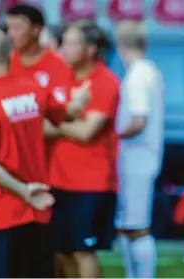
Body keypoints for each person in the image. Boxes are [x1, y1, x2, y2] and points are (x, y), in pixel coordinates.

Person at [0, 27, 89, 278]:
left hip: (0, 214)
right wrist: (79, 100)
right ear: (11, 54)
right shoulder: (33, 90)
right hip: (39, 210)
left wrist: (23, 191)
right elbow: (68, 114)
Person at [47, 21, 119, 278]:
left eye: (71, 43)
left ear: (90, 49)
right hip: (57, 179)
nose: (62, 48)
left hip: (91, 183)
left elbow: (86, 132)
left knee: (83, 251)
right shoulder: (59, 75)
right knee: (60, 250)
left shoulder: (105, 82)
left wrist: (55, 122)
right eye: (63, 41)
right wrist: (67, 121)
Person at [114, 20, 164, 278]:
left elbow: (138, 119)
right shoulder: (149, 71)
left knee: (137, 226)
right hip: (141, 159)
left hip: (136, 161)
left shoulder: (137, 75)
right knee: (126, 225)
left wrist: (110, 135)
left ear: (120, 45)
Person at [6, 3, 74, 164]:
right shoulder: (4, 64)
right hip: (11, 161)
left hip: (50, 163)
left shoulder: (59, 65)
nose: (10, 34)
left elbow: (62, 115)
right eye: (8, 28)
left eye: (17, 28)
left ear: (36, 30)